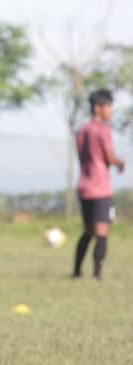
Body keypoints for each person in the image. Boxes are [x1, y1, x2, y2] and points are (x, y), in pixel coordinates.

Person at [72, 89, 125, 281]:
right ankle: (96, 275)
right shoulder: (103, 130)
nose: (110, 111)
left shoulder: (81, 130)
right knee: (102, 231)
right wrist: (122, 163)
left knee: (87, 231)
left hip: (84, 186)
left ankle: (76, 271)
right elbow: (109, 157)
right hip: (101, 187)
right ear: (97, 108)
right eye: (108, 106)